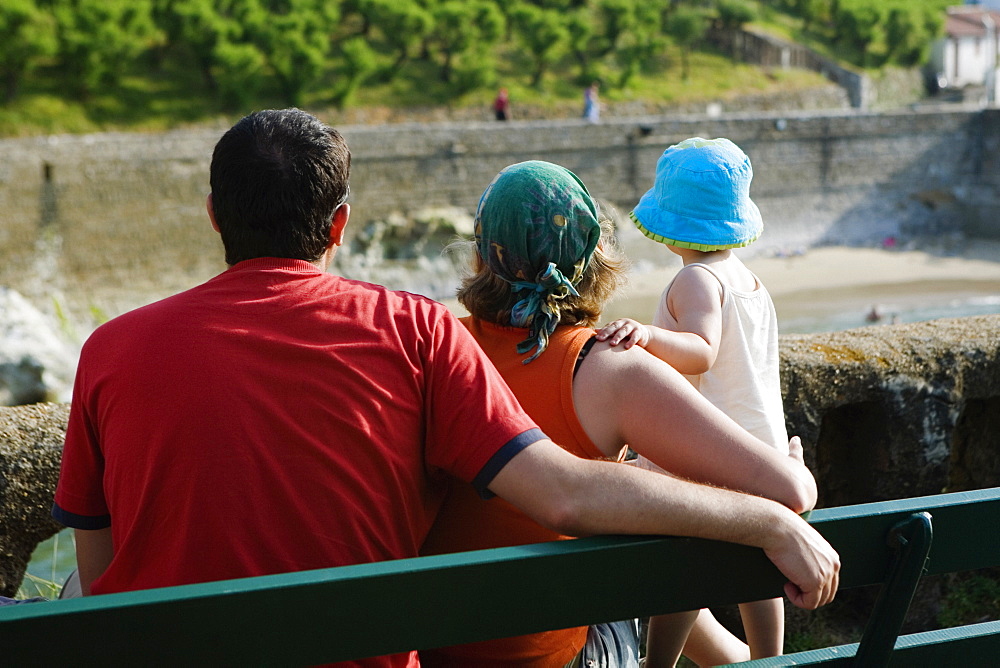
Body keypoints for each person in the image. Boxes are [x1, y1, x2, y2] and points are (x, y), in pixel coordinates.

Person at [52, 111, 838, 668]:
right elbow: (561, 495)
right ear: (339, 226)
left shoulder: (107, 351)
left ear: (215, 215)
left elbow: (101, 575)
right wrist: (766, 518)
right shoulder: (410, 333)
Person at [420, 160, 834, 667]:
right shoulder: (609, 368)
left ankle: (742, 660)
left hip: (439, 644)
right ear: (592, 257)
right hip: (548, 653)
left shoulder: (436, 343)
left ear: (484, 255)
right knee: (649, 540)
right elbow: (789, 493)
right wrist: (796, 465)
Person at [597, 138, 790, 662]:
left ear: (671, 221)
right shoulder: (750, 282)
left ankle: (657, 662)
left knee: (683, 573)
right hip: (761, 450)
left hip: (713, 453)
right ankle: (770, 658)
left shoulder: (695, 279)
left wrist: (645, 335)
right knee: (758, 573)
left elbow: (701, 352)